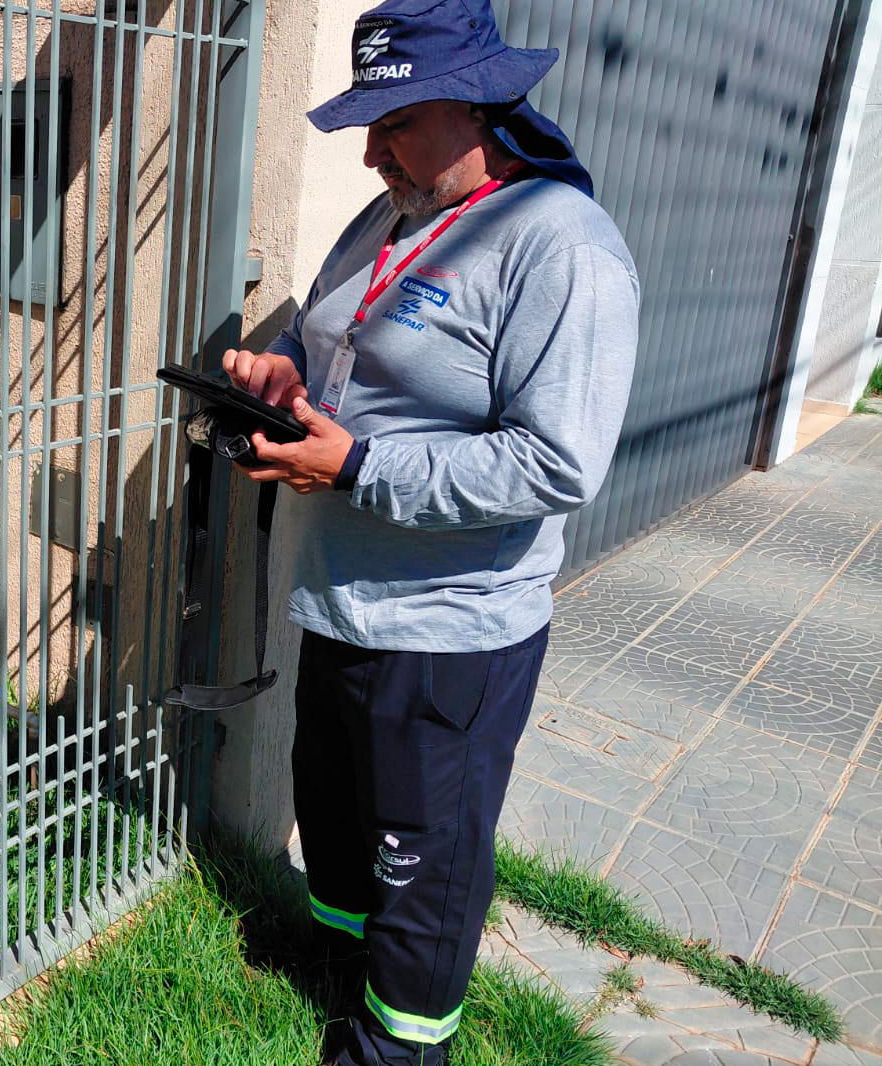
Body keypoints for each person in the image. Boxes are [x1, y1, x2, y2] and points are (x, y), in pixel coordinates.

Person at [221, 2, 640, 1063]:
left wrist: (354, 464)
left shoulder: (560, 247)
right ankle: (335, 974)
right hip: (343, 595)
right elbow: (337, 340)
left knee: (424, 857)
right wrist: (287, 376)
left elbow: (556, 463)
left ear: (476, 105)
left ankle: (400, 1044)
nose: (369, 152)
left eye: (393, 123)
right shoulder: (394, 213)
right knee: (342, 822)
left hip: (450, 629)